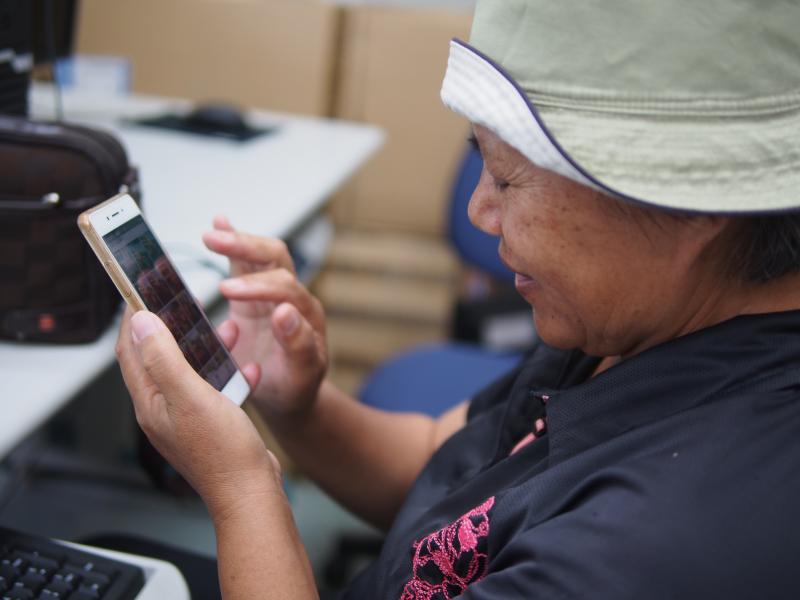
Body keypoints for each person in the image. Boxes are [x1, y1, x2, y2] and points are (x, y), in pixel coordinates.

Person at [114, 0, 800, 597]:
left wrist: (242, 489)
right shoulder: (635, 322)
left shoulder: (656, 546)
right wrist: (300, 408)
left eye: (508, 179)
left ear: (692, 202)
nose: (479, 211)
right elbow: (442, 466)